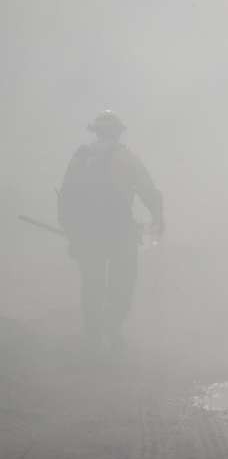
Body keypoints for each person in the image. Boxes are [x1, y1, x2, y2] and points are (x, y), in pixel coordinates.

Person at [58, 111, 163, 351]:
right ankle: (112, 329)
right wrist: (158, 218)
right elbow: (148, 191)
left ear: (96, 132)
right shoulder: (126, 158)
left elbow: (65, 196)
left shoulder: (80, 158)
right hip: (120, 232)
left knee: (92, 283)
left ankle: (93, 335)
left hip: (87, 233)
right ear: (117, 133)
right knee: (122, 283)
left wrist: (72, 231)